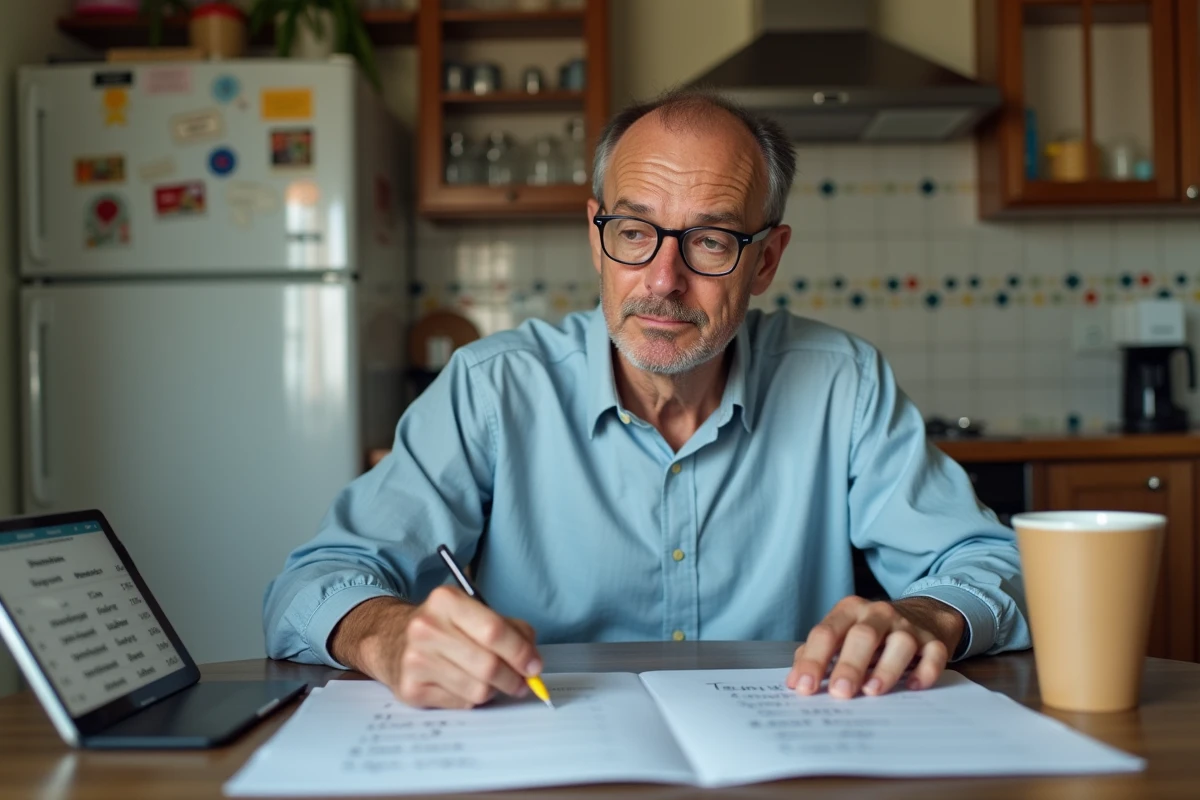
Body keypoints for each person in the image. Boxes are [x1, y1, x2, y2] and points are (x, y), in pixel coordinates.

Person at [264, 88, 1030, 709]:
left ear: (765, 262)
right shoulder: (492, 386)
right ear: (596, 238)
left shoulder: (843, 381)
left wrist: (925, 615)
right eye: (634, 231)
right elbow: (310, 584)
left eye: (709, 240)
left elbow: (991, 564)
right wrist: (386, 633)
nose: (663, 281)